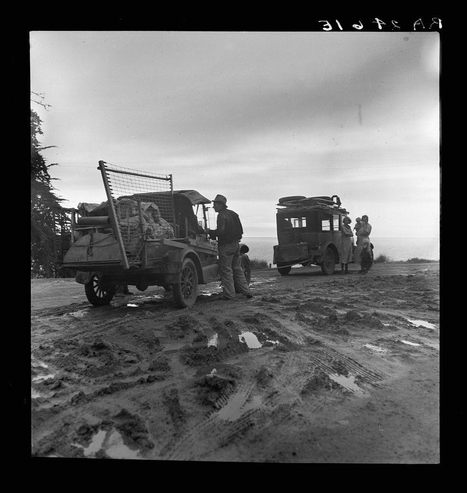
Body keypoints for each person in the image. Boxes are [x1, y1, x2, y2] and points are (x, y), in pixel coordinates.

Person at [207, 194, 253, 300]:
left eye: (215, 204)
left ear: (220, 205)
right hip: (236, 245)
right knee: (237, 269)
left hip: (226, 246)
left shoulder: (221, 215)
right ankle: (247, 291)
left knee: (226, 270)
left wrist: (211, 232)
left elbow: (221, 232)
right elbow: (241, 231)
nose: (213, 206)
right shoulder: (234, 214)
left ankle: (229, 294)